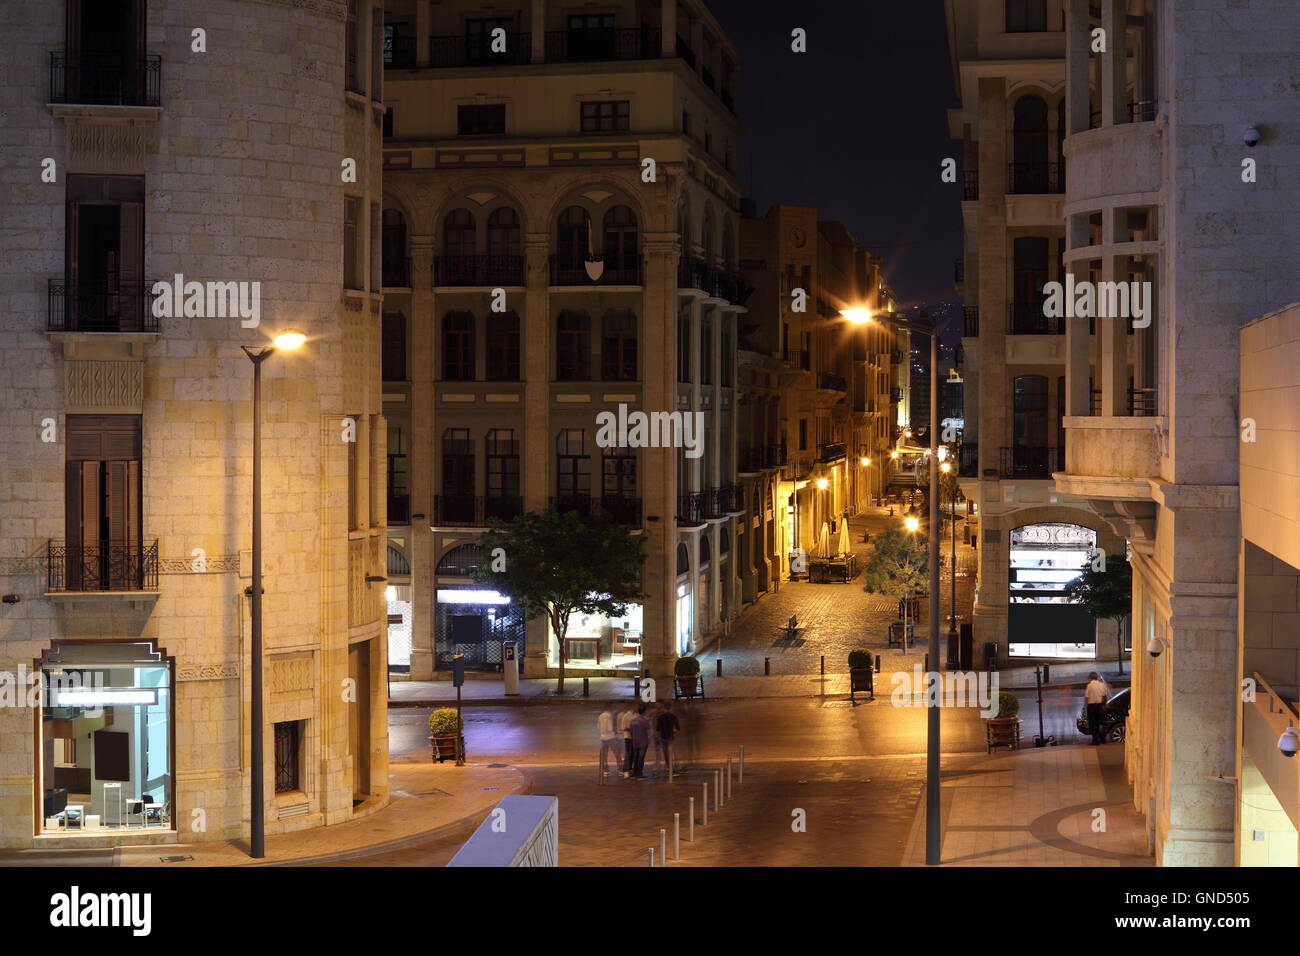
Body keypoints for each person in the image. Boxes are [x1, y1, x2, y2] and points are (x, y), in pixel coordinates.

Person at [597, 705, 622, 784]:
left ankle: (606, 771)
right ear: (610, 708)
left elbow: (598, 727)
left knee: (604, 755)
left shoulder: (600, 716)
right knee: (617, 753)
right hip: (611, 737)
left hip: (603, 738)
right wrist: (616, 732)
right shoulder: (610, 716)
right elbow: (610, 728)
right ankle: (620, 770)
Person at [656, 700, 681, 775]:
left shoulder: (660, 717)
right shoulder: (673, 716)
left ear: (663, 708)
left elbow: (657, 729)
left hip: (663, 738)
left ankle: (668, 767)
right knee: (672, 753)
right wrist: (674, 731)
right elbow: (678, 728)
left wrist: (657, 738)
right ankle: (674, 768)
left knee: (666, 753)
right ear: (670, 708)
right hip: (671, 737)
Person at [628, 704, 652, 778]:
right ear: (644, 712)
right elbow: (649, 730)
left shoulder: (632, 721)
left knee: (636, 757)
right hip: (643, 742)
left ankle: (635, 772)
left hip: (635, 742)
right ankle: (639, 773)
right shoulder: (645, 721)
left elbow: (630, 731)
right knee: (641, 758)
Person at [1084, 672, 1109, 744]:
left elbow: (1087, 697)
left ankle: (1095, 740)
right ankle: (1102, 739)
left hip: (1091, 706)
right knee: (1099, 722)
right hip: (1100, 706)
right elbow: (1104, 696)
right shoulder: (1102, 685)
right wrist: (1104, 705)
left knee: (1092, 723)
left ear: (1090, 678)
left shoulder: (1089, 685)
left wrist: (1085, 707)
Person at [645, 699, 666, 774]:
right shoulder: (654, 712)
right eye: (656, 704)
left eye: (658, 704)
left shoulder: (663, 712)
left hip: (663, 734)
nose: (657, 706)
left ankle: (665, 765)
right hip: (657, 734)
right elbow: (647, 718)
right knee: (657, 750)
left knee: (665, 750)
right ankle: (657, 764)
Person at [617, 702, 636, 778]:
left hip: (634, 737)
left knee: (633, 754)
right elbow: (623, 728)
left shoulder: (636, 715)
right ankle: (625, 770)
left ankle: (630, 769)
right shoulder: (626, 716)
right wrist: (632, 729)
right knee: (628, 753)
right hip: (628, 737)